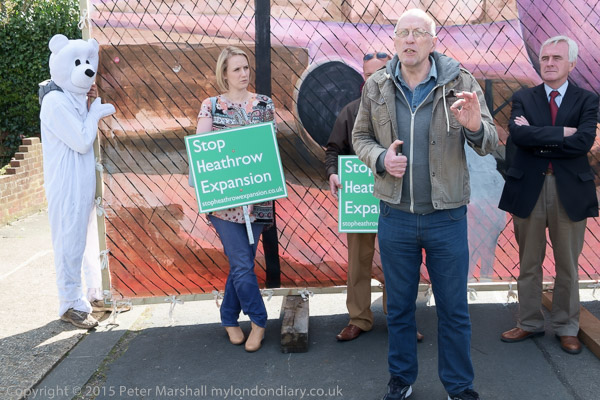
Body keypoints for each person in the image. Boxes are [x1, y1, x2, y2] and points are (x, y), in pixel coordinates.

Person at [352, 9, 497, 400]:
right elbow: (360, 137)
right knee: (399, 308)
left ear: (433, 42)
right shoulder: (377, 85)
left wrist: (474, 126)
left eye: (419, 33)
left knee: (453, 310)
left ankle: (459, 387)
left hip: (446, 218)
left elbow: (489, 140)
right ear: (395, 41)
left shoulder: (460, 82)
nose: (410, 39)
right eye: (403, 33)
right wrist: (381, 158)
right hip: (395, 216)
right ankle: (401, 379)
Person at [498, 36, 598, 355]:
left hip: (569, 190)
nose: (550, 63)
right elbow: (518, 135)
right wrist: (561, 134)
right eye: (545, 58)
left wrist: (538, 136)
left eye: (557, 58)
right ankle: (529, 322)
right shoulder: (523, 97)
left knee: (567, 264)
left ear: (572, 64)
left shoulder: (587, 100)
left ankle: (567, 327)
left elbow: (583, 142)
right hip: (529, 187)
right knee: (529, 261)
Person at [325, 51, 425, 343]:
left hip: (399, 198)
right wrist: (333, 172)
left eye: (380, 72)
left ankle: (399, 319)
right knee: (359, 260)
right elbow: (333, 150)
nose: (375, 79)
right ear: (363, 77)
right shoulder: (351, 111)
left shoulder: (408, 108)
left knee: (400, 262)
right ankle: (358, 318)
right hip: (360, 198)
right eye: (369, 74)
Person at [194, 46, 276, 352]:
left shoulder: (264, 103)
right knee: (242, 264)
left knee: (241, 264)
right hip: (224, 202)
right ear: (224, 74)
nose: (243, 74)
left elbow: (268, 147)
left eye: (246, 68)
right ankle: (259, 321)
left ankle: (229, 317)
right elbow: (203, 152)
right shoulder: (211, 106)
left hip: (257, 199)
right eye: (236, 69)